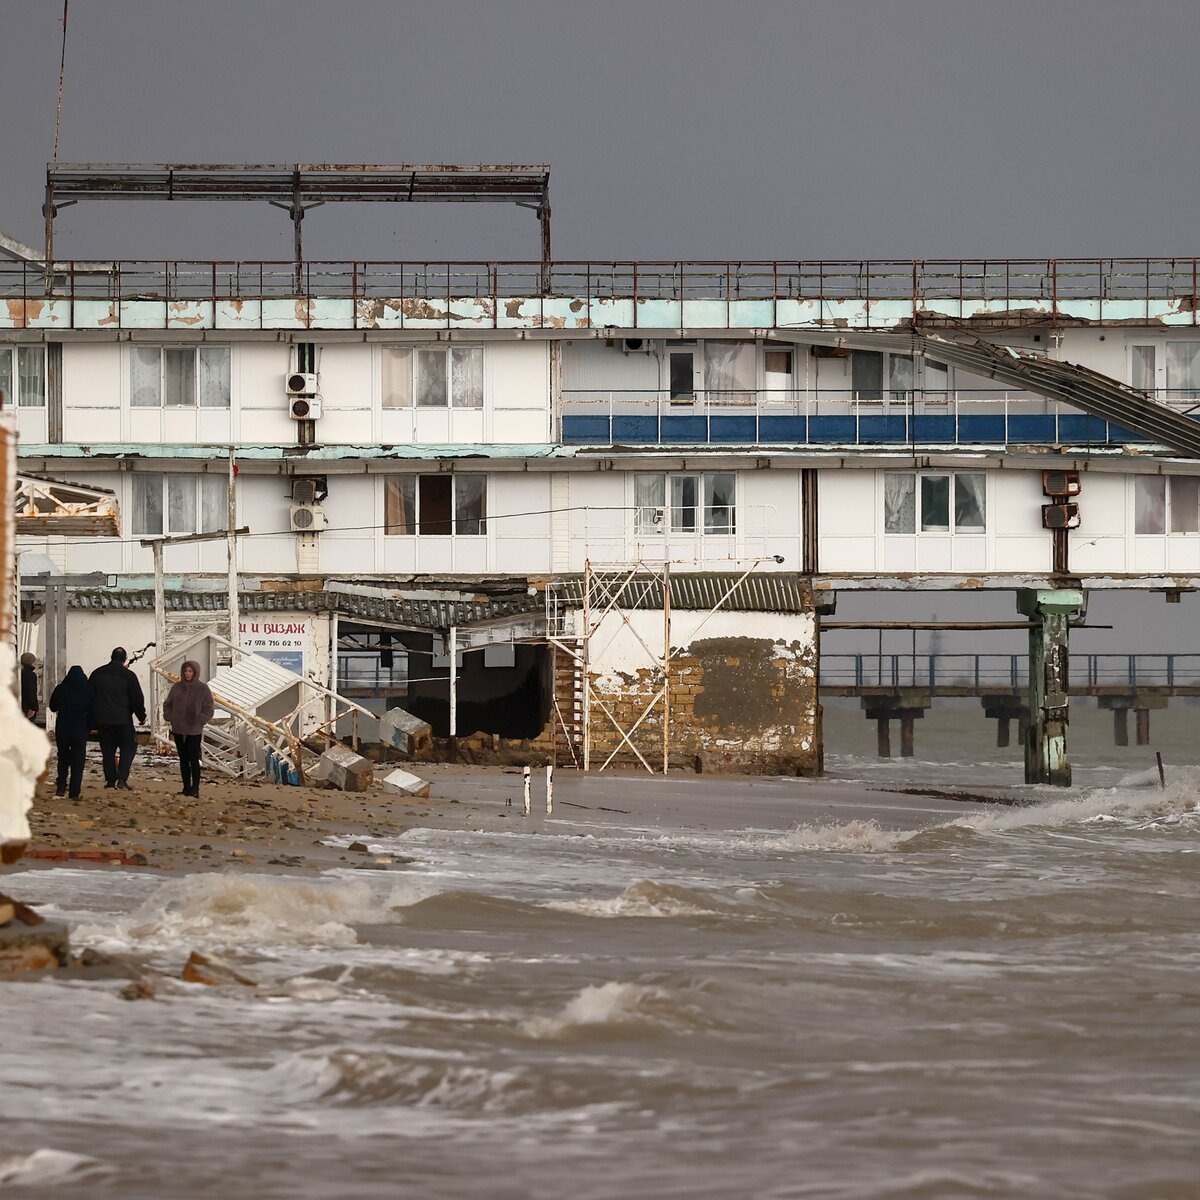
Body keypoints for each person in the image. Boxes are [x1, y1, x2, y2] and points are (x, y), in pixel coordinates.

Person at [89, 647, 147, 791]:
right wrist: (142, 716)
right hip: (123, 720)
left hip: (103, 721)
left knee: (108, 751)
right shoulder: (128, 676)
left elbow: (89, 697)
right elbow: (136, 698)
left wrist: (91, 719)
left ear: (111, 657)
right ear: (124, 659)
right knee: (128, 748)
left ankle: (110, 780)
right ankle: (122, 778)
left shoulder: (97, 673)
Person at [162, 660, 214, 798]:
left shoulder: (203, 689)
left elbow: (209, 707)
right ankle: (186, 787)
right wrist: (169, 716)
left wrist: (201, 719)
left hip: (194, 729)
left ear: (195, 672)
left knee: (193, 758)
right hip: (178, 728)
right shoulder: (176, 687)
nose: (187, 673)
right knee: (183, 759)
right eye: (185, 671)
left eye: (190, 671)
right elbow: (168, 704)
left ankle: (195, 789)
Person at [48, 666, 94, 800]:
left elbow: (53, 706)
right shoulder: (87, 690)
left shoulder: (61, 688)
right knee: (78, 760)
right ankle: (74, 792)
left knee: (63, 758)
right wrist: (88, 727)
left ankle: (61, 788)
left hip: (63, 727)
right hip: (80, 728)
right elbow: (92, 711)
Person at [20, 653, 39, 721]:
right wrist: (33, 708)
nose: (36, 662)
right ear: (30, 662)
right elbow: (31, 692)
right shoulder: (31, 675)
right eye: (34, 661)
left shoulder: (19, 673)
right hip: (27, 708)